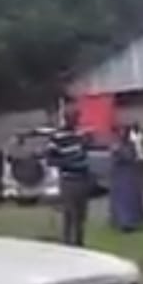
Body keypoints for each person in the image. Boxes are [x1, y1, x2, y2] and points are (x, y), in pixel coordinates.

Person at [44, 106, 92, 247]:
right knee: (70, 213)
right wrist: (69, 161)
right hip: (68, 179)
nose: (75, 120)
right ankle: (67, 243)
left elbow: (86, 152)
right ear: (66, 119)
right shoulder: (57, 138)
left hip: (83, 178)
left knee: (81, 215)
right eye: (73, 118)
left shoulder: (80, 135)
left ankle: (79, 243)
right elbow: (50, 160)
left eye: (76, 118)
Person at [109, 126, 143, 232]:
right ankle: (123, 222)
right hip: (121, 176)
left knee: (130, 200)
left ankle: (130, 222)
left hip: (129, 175)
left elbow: (133, 157)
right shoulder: (117, 145)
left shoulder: (130, 145)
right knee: (122, 200)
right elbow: (116, 159)